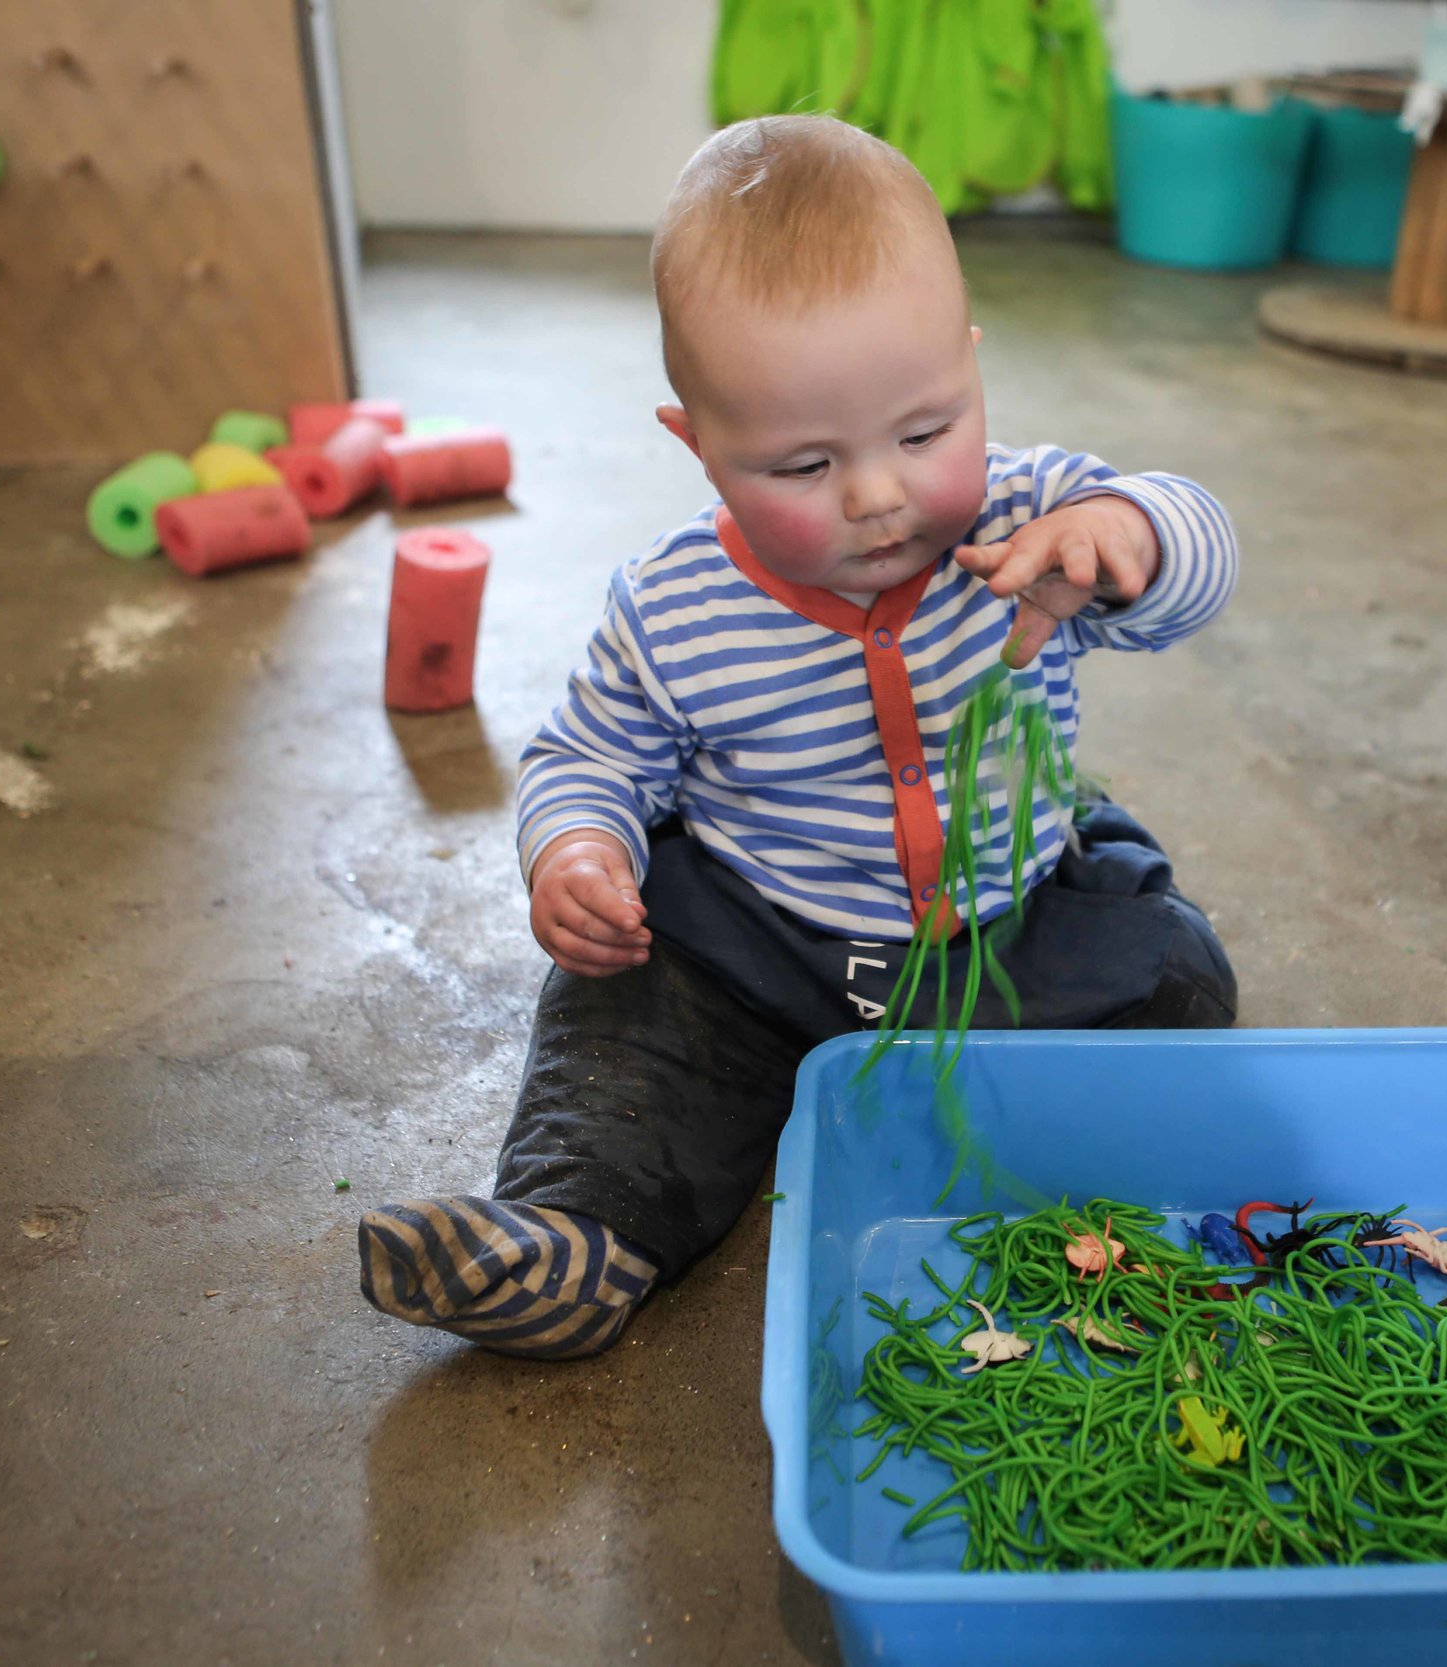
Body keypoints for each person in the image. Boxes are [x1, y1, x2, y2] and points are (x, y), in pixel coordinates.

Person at [357, 115, 1239, 1362]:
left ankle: (1115, 1194)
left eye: (925, 432)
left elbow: (1199, 546)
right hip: (764, 949)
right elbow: (588, 758)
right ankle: (577, 1232)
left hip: (1009, 927)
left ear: (970, 369)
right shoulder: (670, 608)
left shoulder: (1033, 516)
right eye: (803, 462)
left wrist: (1131, 540)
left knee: (1173, 974)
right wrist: (575, 854)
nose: (878, 495)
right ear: (698, 444)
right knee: (623, 1021)